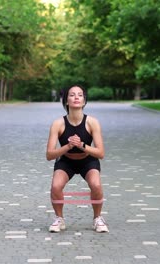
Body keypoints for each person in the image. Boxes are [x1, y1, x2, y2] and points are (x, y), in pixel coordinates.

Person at [46, 85, 109, 233]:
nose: (76, 97)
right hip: (66, 161)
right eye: (72, 95)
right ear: (66, 101)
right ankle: (59, 219)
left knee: (96, 185)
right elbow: (49, 155)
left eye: (80, 95)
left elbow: (100, 153)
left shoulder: (92, 122)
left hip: (87, 160)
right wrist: (68, 146)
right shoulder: (58, 124)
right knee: (56, 186)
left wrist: (81, 145)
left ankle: (97, 218)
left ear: (84, 101)